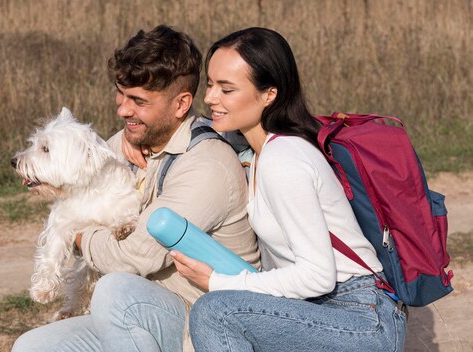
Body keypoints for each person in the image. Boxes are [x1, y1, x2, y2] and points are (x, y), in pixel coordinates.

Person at [11, 25, 260, 352]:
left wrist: (75, 234)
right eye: (121, 94)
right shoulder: (135, 142)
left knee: (115, 289)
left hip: (201, 319)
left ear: (181, 104)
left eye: (138, 101)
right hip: (139, 309)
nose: (123, 109)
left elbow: (131, 259)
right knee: (33, 347)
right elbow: (79, 174)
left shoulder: (207, 165)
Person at [171, 27, 407, 351]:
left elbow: (318, 275)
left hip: (359, 316)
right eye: (210, 84)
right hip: (319, 310)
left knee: (215, 312)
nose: (210, 98)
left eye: (227, 89)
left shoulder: (284, 159)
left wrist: (217, 282)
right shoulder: (253, 154)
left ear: (270, 94)